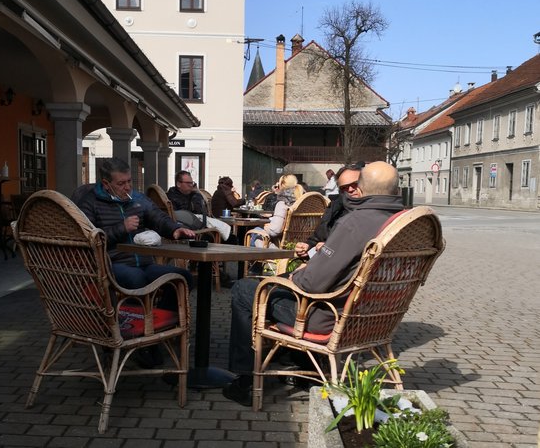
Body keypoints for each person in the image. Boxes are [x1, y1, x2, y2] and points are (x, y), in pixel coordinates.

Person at [222, 161, 403, 406]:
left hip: (327, 315)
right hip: (374, 316)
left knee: (246, 289)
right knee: (280, 284)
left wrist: (296, 276)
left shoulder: (356, 223)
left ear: (362, 187)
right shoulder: (402, 223)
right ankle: (307, 368)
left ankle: (245, 380)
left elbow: (311, 284)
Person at [75, 157, 196, 308]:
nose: (127, 187)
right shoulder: (90, 202)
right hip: (112, 266)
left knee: (182, 278)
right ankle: (134, 325)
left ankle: (163, 319)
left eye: (129, 181)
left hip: (145, 263)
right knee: (136, 279)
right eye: (121, 183)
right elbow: (87, 240)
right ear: (106, 184)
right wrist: (121, 228)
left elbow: (158, 217)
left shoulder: (137, 198)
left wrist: (175, 229)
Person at [294, 162, 365, 260]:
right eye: (344, 187)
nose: (350, 189)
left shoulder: (371, 213)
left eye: (355, 184)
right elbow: (317, 238)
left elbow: (357, 253)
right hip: (322, 266)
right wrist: (307, 247)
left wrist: (328, 250)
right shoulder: (335, 208)